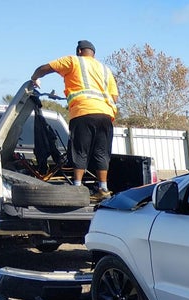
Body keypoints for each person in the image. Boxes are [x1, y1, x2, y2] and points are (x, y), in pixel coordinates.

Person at [31, 40, 118, 200]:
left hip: (83, 112)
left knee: (80, 150)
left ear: (79, 51)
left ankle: (77, 187)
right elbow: (114, 97)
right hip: (105, 114)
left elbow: (45, 68)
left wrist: (34, 78)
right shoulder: (105, 69)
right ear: (94, 54)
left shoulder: (73, 61)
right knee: (101, 151)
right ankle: (103, 189)